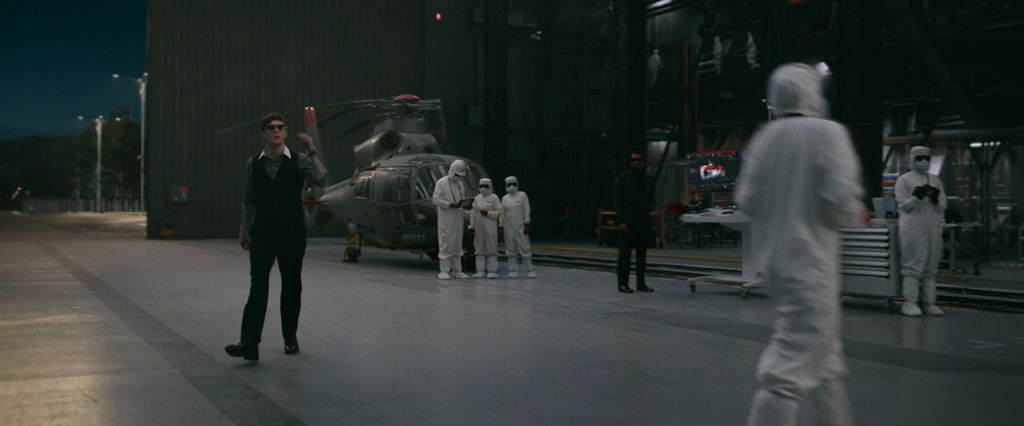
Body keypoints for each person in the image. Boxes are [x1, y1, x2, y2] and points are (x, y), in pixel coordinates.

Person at [734, 63, 868, 425]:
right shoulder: (828, 133)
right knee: (788, 369)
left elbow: (746, 200)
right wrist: (854, 213)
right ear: (813, 94)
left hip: (775, 264)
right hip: (812, 265)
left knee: (826, 363)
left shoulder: (764, 139)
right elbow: (841, 200)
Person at [227, 112, 328, 361]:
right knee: (258, 286)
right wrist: (243, 231)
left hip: (291, 232)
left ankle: (290, 337)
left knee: (291, 286)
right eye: (271, 128)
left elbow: (321, 178)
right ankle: (249, 344)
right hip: (262, 232)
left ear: (285, 132)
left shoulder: (299, 159)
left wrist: (312, 151)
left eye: (280, 127)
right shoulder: (254, 163)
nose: (276, 131)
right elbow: (249, 200)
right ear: (263, 134)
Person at [895, 146, 947, 317]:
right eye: (920, 159)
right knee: (913, 266)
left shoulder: (935, 180)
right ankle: (909, 303)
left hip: (932, 227)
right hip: (913, 228)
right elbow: (903, 206)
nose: (924, 162)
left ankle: (929, 303)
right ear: (913, 160)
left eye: (926, 158)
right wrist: (916, 197)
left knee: (930, 266)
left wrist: (935, 199)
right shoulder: (904, 180)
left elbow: (942, 206)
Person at [614, 151, 656, 293]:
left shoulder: (648, 179)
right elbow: (619, 202)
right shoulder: (623, 179)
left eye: (638, 160)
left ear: (643, 162)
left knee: (641, 255)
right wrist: (621, 221)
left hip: (643, 220)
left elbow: (653, 198)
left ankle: (641, 283)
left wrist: (650, 205)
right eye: (633, 160)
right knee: (625, 255)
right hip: (628, 221)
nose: (636, 162)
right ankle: (622, 283)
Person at [432, 159, 472, 280]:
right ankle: (444, 270)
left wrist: (465, 205)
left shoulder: (460, 185)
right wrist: (449, 204)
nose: (458, 177)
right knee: (446, 242)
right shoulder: (442, 182)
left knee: (457, 243)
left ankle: (457, 270)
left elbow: (461, 199)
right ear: (452, 171)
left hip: (458, 217)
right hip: (446, 218)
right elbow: (436, 199)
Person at [500, 176, 537, 278]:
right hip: (508, 227)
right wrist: (500, 226)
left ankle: (529, 270)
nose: (512, 186)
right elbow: (502, 213)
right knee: (510, 248)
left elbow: (526, 210)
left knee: (525, 247)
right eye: (509, 185)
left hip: (520, 226)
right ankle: (513, 270)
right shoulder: (505, 198)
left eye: (514, 184)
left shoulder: (522, 196)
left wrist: (527, 223)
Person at [469, 178, 502, 278]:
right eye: (481, 186)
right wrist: (472, 227)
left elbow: (499, 212)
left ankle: (492, 270)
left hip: (490, 227)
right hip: (479, 228)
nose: (483, 188)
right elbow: (472, 214)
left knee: (491, 247)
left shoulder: (494, 198)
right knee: (479, 248)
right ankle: (480, 270)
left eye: (485, 186)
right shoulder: (477, 199)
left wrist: (488, 213)